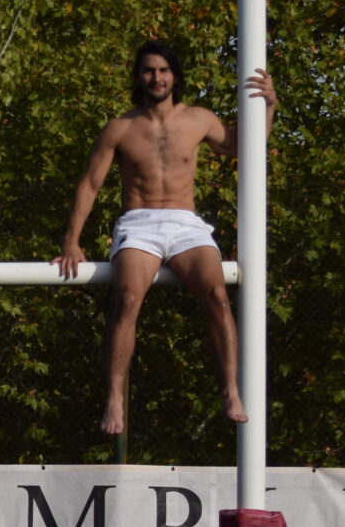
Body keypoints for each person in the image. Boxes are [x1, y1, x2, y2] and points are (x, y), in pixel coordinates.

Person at [52, 41, 274, 429]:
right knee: (127, 297)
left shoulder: (199, 119)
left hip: (186, 224)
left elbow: (245, 147)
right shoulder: (120, 128)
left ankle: (230, 390)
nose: (157, 77)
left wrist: (268, 105)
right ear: (139, 77)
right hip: (139, 223)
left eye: (163, 70)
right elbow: (89, 184)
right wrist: (71, 240)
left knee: (218, 295)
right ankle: (115, 399)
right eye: (149, 71)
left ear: (175, 75)